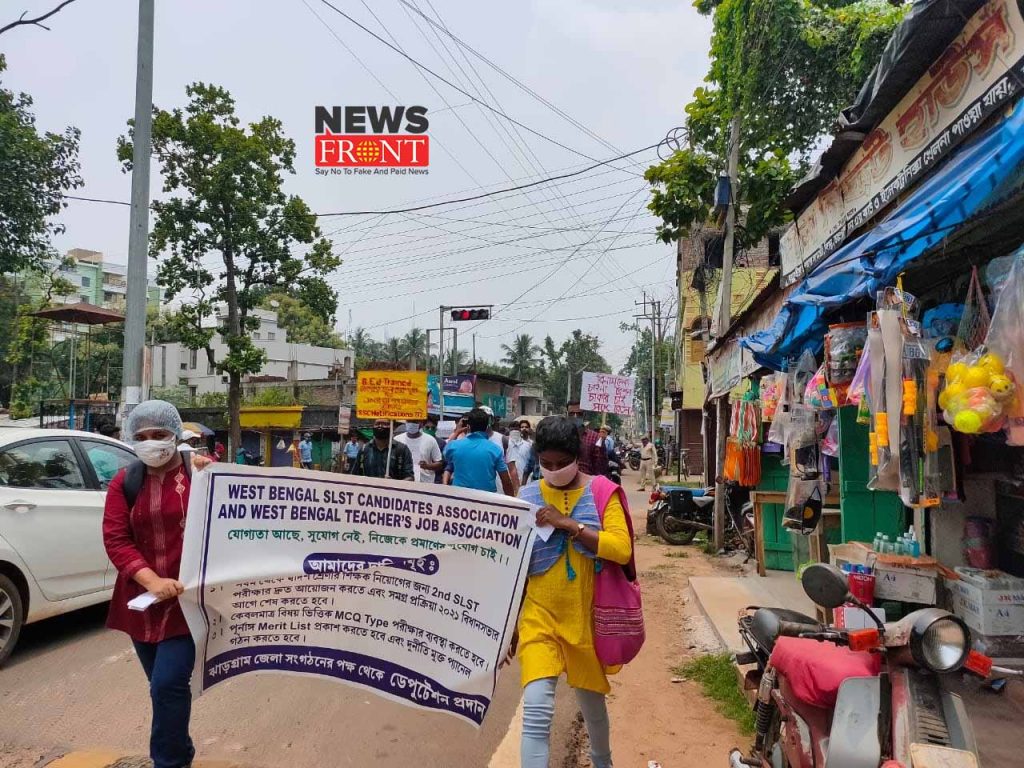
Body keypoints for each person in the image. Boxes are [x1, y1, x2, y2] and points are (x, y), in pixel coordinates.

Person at [515, 416, 631, 768]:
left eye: (561, 463)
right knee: (536, 707)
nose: (553, 470)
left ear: (577, 456)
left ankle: (602, 761)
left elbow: (621, 548)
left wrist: (569, 525)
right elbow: (516, 566)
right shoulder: (527, 496)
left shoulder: (601, 492)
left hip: (586, 620)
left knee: (592, 707)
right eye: (545, 464)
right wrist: (508, 627)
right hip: (539, 617)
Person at [102, 400, 209, 768]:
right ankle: (181, 747)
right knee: (163, 689)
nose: (151, 443)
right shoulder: (124, 482)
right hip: (141, 603)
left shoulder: (201, 476)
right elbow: (116, 539)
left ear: (176, 435)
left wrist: (217, 477)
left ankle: (170, 762)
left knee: (167, 685)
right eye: (142, 436)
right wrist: (152, 581)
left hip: (188, 603)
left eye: (159, 435)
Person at [444, 408, 514, 495]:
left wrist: (457, 432)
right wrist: (512, 503)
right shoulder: (495, 450)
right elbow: (506, 481)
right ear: (487, 426)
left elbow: (445, 453)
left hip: (460, 501)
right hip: (486, 501)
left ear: (468, 426)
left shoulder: (454, 446)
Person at [568, 405, 607, 477]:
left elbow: (600, 467)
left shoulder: (595, 437)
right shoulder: (561, 435)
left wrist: (601, 444)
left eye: (579, 414)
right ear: (567, 414)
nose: (575, 416)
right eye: (571, 413)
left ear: (584, 415)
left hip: (587, 483)